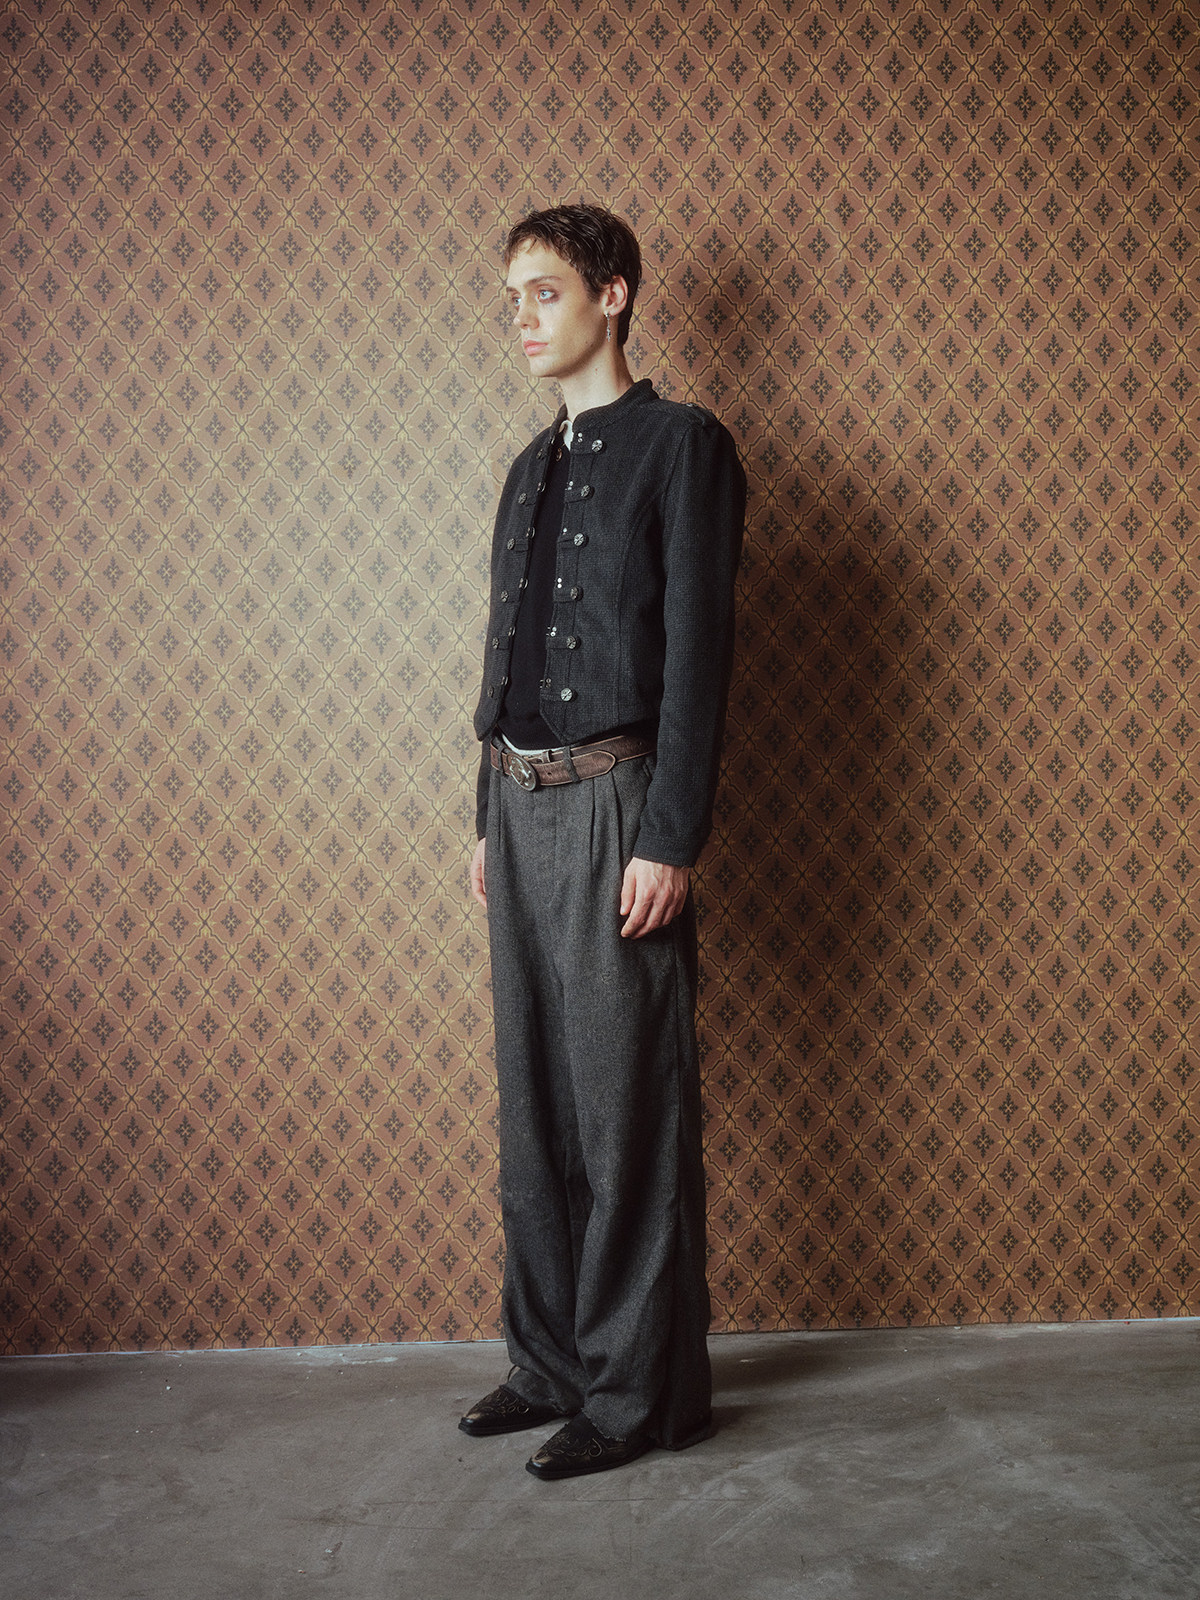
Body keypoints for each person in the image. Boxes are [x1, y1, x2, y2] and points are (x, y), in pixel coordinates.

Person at [462, 203, 745, 1480]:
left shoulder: (685, 448)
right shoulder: (528, 467)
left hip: (621, 807)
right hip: (516, 807)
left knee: (627, 1107)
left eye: (544, 293)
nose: (522, 318)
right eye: (512, 299)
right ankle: (551, 1364)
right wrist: (485, 818)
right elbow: (506, 656)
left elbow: (699, 660)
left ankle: (638, 1397)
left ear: (612, 294)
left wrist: (669, 837)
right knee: (535, 1103)